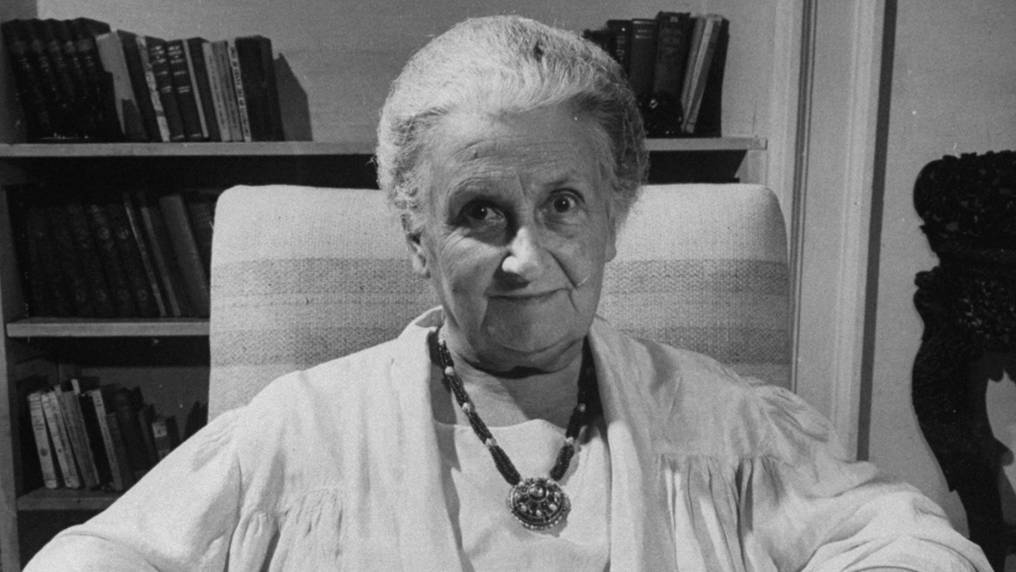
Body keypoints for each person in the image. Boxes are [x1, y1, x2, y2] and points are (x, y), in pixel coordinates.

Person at [27, 15, 989, 571]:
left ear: (613, 217)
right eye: (479, 212)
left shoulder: (724, 422)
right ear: (417, 237)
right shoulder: (298, 430)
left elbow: (913, 545)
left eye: (562, 205)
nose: (525, 260)